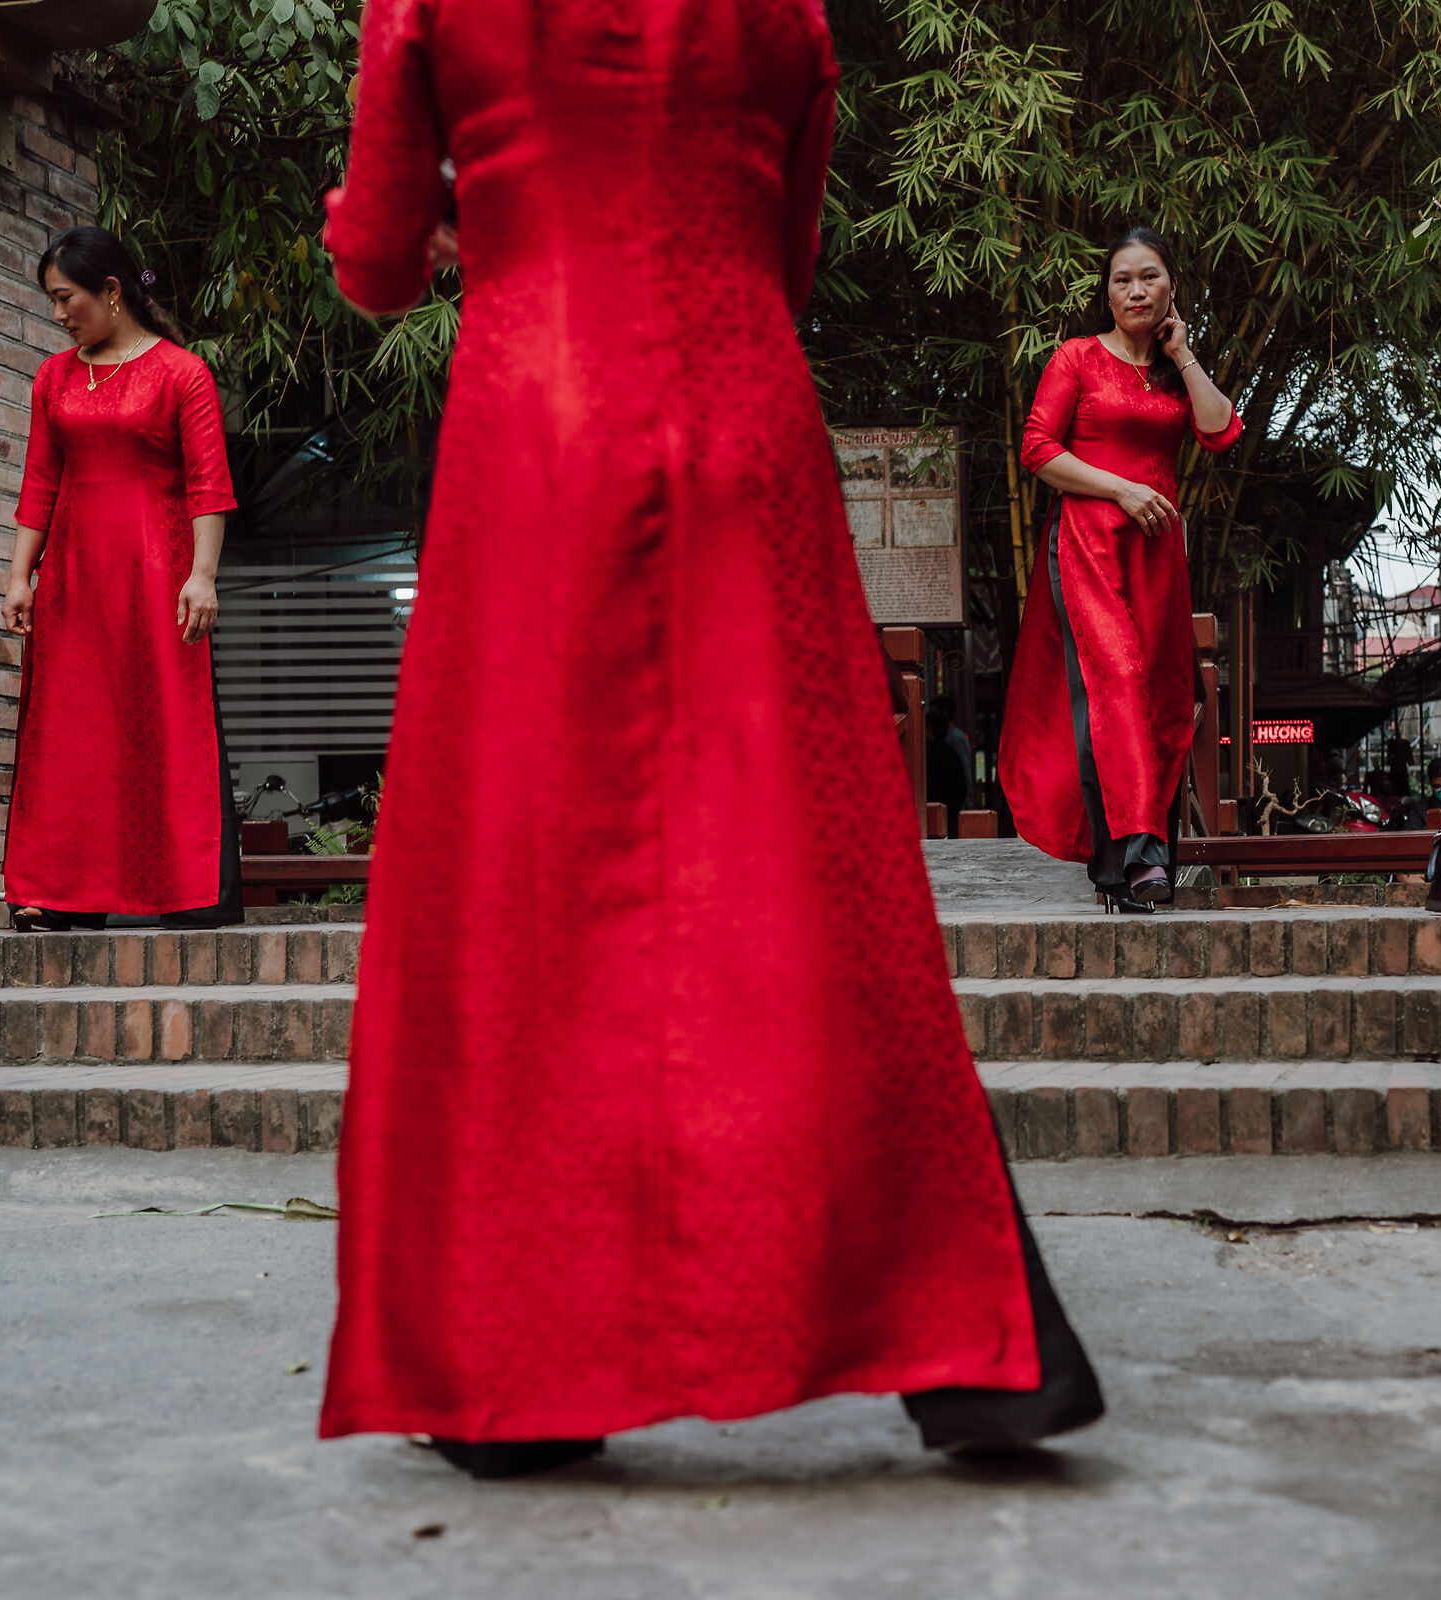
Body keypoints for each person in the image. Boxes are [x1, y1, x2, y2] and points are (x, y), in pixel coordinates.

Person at [318, 0, 1100, 1479]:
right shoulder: (784, 10)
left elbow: (370, 265)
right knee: (818, 877)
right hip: (743, 416)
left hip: (537, 427)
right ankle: (973, 1358)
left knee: (528, 876)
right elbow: (787, 260)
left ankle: (524, 1375)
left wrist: (415, 223)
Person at [0, 226, 242, 933]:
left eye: (65, 297)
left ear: (112, 291)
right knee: (69, 730)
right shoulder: (54, 376)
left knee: (164, 723)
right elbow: (40, 480)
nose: (57, 314)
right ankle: (58, 891)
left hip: (159, 573)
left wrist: (203, 576)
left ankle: (185, 891)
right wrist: (20, 577)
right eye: (51, 300)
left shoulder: (182, 372)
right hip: (74, 576)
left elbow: (209, 486)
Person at [999, 228, 1242, 913]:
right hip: (1087, 542)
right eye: (1121, 281)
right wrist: (1121, 489)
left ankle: (1130, 862)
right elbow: (1037, 449)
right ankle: (1137, 858)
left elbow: (1222, 431)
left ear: (1171, 286)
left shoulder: (1172, 369)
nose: (1135, 291)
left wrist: (1185, 355)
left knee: (1162, 695)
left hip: (1157, 554)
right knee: (1119, 682)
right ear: (1105, 293)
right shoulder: (1076, 358)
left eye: (1149, 278)